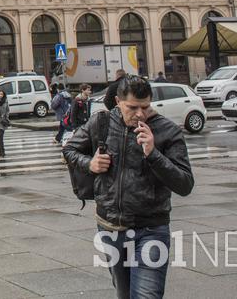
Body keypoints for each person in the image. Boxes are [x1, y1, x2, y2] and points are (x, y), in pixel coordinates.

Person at [62, 75, 194, 299]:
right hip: (110, 226)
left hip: (151, 227)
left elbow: (185, 184)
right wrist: (90, 164)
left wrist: (153, 153)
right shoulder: (101, 123)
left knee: (146, 295)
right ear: (117, 101)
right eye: (132, 107)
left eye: (145, 107)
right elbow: (70, 150)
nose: (140, 114)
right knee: (124, 294)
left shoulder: (166, 131)